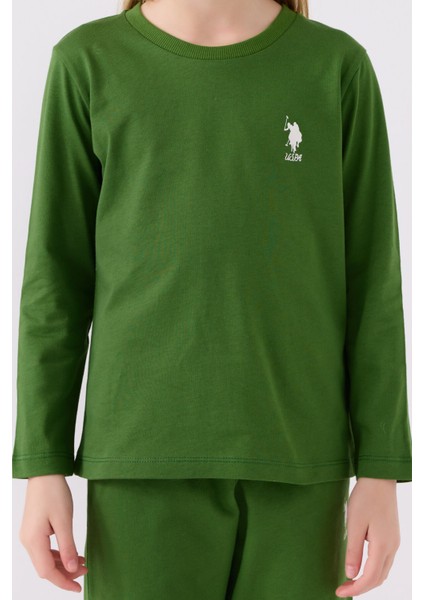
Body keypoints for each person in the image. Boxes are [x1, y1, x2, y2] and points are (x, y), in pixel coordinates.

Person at [12, 1, 412, 598]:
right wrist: (43, 461)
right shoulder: (87, 61)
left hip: (301, 462)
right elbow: (55, 282)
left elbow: (373, 282)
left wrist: (380, 467)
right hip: (140, 462)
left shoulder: (335, 66)